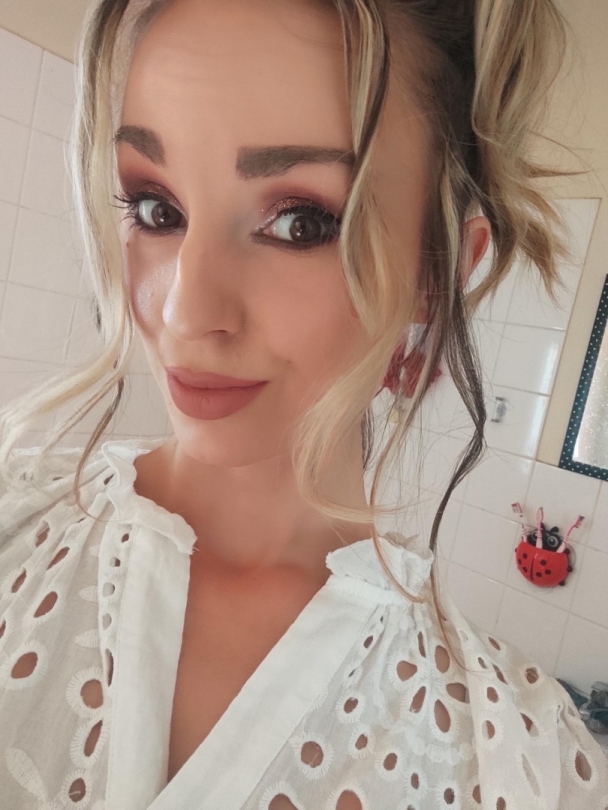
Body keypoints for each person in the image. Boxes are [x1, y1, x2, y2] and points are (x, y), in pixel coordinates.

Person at [0, 0, 607, 807]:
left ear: (436, 274)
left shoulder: (520, 764)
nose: (185, 311)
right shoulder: (13, 528)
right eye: (155, 208)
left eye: (299, 223)